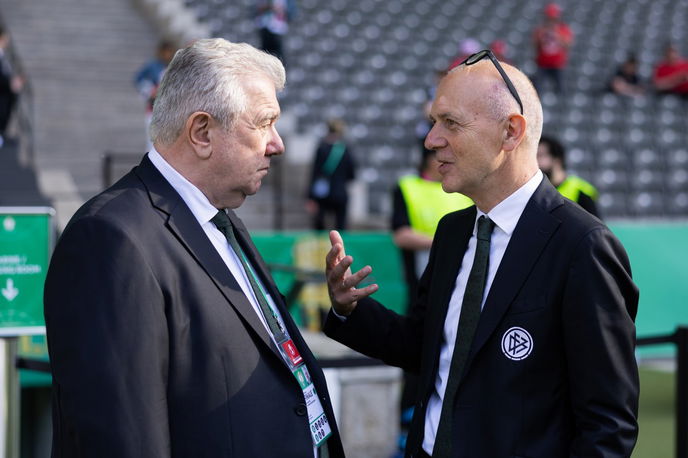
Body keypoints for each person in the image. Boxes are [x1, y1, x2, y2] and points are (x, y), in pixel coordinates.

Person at [323, 50, 639, 457]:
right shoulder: (453, 232)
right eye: (434, 122)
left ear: (511, 132)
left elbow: (607, 426)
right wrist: (349, 309)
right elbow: (427, 347)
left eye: (450, 123)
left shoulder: (583, 245)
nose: (431, 139)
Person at [44, 38, 344, 458]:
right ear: (202, 132)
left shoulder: (219, 216)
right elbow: (124, 435)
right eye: (263, 123)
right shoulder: (109, 238)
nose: (277, 144)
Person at [391, 148, 472, 455]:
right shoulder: (407, 187)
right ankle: (407, 428)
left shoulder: (465, 190)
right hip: (423, 288)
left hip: (464, 287)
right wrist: (446, 239)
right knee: (418, 354)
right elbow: (401, 234)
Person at [306, 118, 356, 231]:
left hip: (322, 193)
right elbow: (352, 174)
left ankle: (320, 247)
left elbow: (314, 173)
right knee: (341, 225)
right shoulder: (346, 150)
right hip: (340, 192)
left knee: (320, 224)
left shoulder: (321, 148)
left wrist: (310, 197)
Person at [537, 134, 600, 218]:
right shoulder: (535, 190)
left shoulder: (582, 191)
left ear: (557, 160)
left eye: (540, 156)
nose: (536, 161)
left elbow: (596, 228)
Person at [134, 40, 175, 150]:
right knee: (151, 141)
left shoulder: (175, 67)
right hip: (153, 109)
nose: (168, 54)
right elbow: (138, 79)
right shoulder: (152, 66)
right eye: (166, 51)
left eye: (170, 51)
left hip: (170, 110)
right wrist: (149, 91)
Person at [532, 3, 573, 94]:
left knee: (561, 89)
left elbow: (568, 45)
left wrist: (557, 34)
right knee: (538, 89)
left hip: (558, 64)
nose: (551, 20)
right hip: (542, 64)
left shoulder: (563, 29)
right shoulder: (540, 29)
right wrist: (543, 35)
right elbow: (535, 45)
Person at [0, 26, 24, 148]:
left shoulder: (4, 56)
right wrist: (10, 83)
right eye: (5, 38)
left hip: (6, 98)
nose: (7, 42)